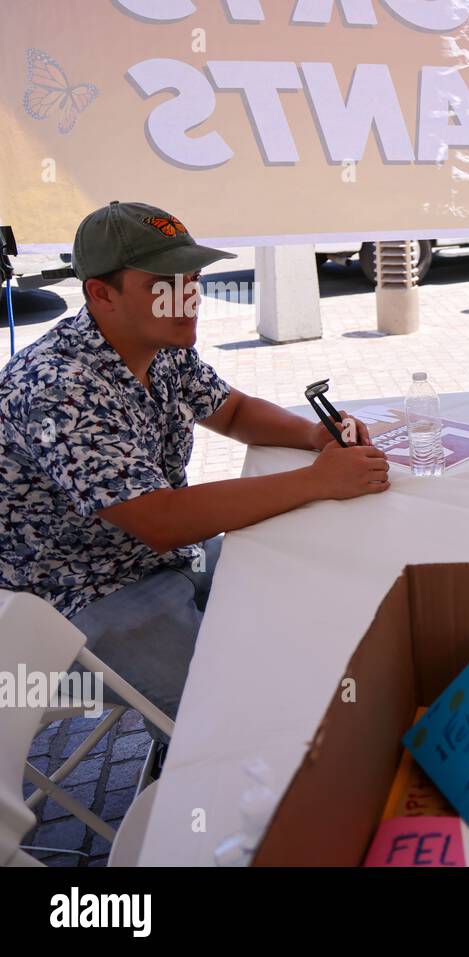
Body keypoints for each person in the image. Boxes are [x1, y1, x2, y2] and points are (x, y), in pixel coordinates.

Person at [0, 201, 391, 737]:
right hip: (74, 600)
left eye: (192, 279)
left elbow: (231, 412)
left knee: (308, 578)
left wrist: (311, 434)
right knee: (245, 720)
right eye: (164, 283)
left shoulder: (158, 341)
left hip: (164, 558)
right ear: (101, 293)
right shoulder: (54, 384)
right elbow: (160, 519)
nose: (187, 298)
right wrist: (317, 480)